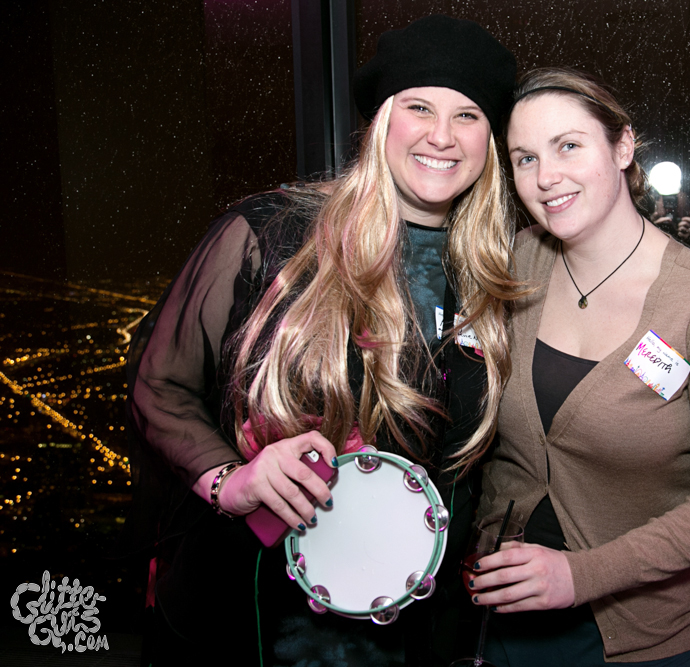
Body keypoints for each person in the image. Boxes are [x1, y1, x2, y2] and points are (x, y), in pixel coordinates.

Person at [124, 15, 521, 666]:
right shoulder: (270, 233)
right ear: (382, 120)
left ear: (489, 141)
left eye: (468, 115)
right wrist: (229, 481)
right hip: (258, 613)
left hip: (415, 626)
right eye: (419, 107)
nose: (442, 136)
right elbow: (159, 383)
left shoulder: (495, 275)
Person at [467, 68, 690, 666]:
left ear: (623, 147)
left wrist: (580, 575)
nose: (546, 176)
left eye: (568, 146)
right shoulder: (515, 264)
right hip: (500, 614)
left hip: (637, 637)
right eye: (525, 158)